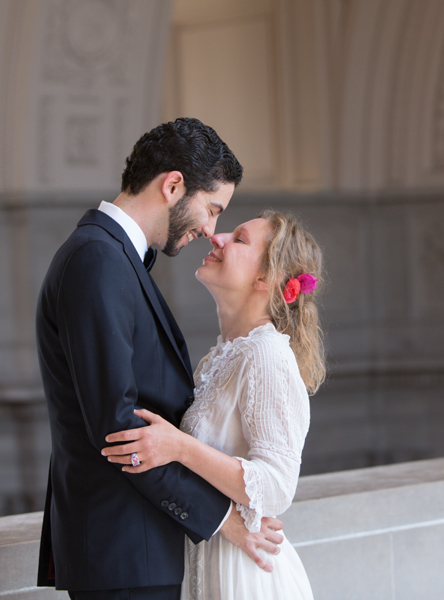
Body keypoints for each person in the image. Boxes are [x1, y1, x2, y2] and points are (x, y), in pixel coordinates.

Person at [35, 118, 284, 600]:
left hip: (134, 550)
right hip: (124, 553)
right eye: (212, 209)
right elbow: (118, 428)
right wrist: (221, 519)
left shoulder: (112, 257)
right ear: (173, 185)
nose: (211, 230)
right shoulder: (97, 259)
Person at [101, 210, 325, 599]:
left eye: (238, 239)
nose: (216, 237)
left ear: (264, 279)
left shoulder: (267, 354)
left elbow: (275, 488)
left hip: (245, 575)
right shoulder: (223, 355)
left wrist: (179, 445)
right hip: (210, 554)